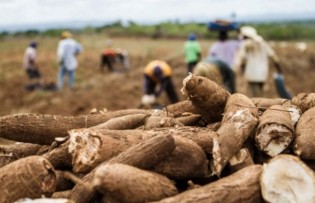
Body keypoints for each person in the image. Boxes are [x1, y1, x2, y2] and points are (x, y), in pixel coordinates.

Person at [234, 26, 282, 97]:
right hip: (263, 73)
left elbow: (240, 58)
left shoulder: (246, 45)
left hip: (252, 74)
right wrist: (279, 69)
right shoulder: (262, 43)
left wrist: (236, 69)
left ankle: (258, 108)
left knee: (254, 97)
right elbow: (273, 56)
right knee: (260, 93)